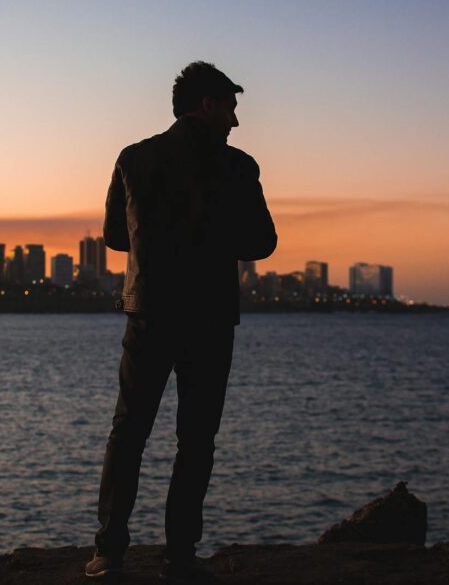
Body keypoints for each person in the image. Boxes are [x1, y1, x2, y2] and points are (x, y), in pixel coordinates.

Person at [86, 62, 277, 582]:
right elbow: (262, 243)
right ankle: (179, 557)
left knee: (128, 432)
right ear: (207, 104)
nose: (236, 120)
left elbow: (115, 237)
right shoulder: (240, 168)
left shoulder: (134, 158)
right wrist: (215, 237)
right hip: (211, 318)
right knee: (195, 441)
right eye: (231, 107)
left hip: (149, 313)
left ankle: (109, 552)